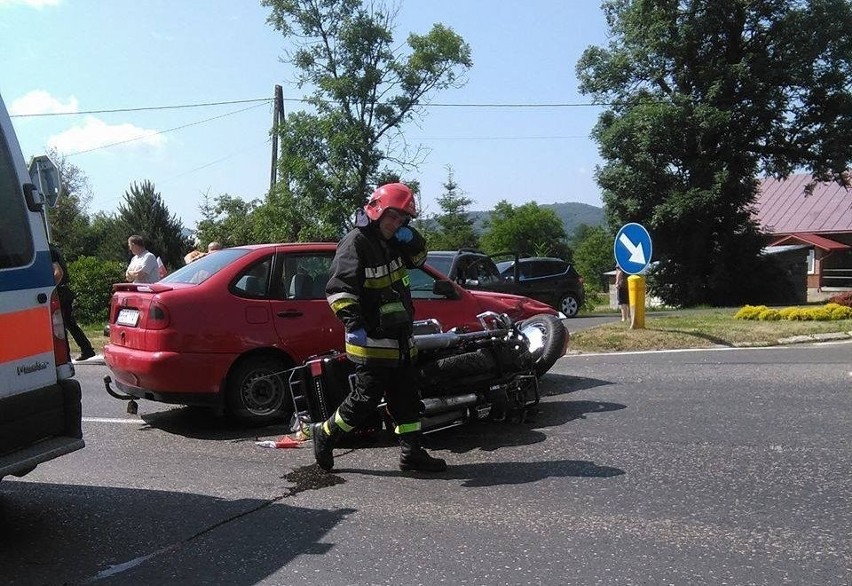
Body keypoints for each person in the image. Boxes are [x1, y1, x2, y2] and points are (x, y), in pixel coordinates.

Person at [312, 182, 447, 473]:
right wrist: (353, 320)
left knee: (407, 400)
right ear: (377, 211)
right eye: (393, 216)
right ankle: (324, 434)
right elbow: (338, 288)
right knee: (364, 400)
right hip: (371, 339)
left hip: (399, 337)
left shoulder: (395, 241)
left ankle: (412, 454)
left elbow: (418, 259)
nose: (396, 223)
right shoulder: (356, 242)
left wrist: (411, 238)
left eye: (402, 219)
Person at [50, 244, 96, 361]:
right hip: (64, 290)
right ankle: (86, 349)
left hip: (60, 292)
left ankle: (66, 356)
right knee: (69, 323)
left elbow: (58, 272)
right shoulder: (54, 248)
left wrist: (51, 289)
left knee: (60, 325)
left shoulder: (49, 251)